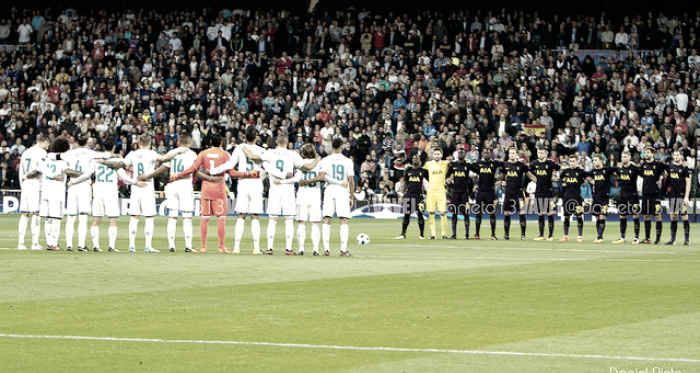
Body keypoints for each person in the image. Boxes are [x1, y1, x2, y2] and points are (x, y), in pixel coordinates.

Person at [98, 134, 187, 252]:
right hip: (147, 186)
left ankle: (131, 245)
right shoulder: (151, 153)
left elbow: (119, 165)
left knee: (134, 216)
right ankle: (148, 246)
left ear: (139, 143)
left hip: (135, 187)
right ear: (150, 143)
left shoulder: (132, 154)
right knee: (149, 217)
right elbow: (164, 159)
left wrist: (104, 162)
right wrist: (179, 150)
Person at [171, 133, 258, 253]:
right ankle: (221, 247)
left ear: (210, 142)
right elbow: (232, 172)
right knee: (221, 218)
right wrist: (246, 174)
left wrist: (178, 175)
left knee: (205, 218)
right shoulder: (225, 155)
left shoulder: (203, 153)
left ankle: (203, 247)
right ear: (221, 143)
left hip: (206, 188)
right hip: (219, 189)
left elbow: (193, 169)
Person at [139, 133, 218, 252]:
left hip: (173, 184)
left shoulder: (172, 152)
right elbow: (195, 171)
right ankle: (188, 246)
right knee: (187, 217)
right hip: (185, 184)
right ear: (189, 142)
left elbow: (162, 169)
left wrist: (147, 176)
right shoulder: (192, 154)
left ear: (179, 141)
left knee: (172, 216)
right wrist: (209, 178)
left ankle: (171, 245)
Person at [241, 136, 318, 255]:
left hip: (274, 188)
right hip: (288, 189)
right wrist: (317, 160)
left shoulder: (270, 152)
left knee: (272, 219)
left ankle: (269, 248)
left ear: (276, 142)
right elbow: (308, 167)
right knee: (288, 219)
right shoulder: (292, 154)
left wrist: (242, 147)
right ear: (287, 142)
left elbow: (251, 157)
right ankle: (288, 249)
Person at [70, 137, 146, 252]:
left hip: (98, 191)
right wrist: (136, 182)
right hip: (111, 192)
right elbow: (124, 177)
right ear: (114, 147)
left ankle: (96, 246)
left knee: (96, 220)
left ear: (103, 147)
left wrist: (73, 182)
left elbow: (87, 175)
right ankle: (111, 247)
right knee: (112, 220)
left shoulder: (95, 160)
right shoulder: (115, 161)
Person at [210, 127, 266, 254]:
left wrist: (213, 171)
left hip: (243, 183)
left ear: (244, 137)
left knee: (241, 215)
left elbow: (229, 165)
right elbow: (265, 167)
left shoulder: (239, 149)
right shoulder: (262, 150)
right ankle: (256, 248)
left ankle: (236, 247)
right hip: (256, 183)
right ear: (256, 136)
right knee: (255, 216)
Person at [35, 139, 83, 250]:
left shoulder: (46, 160)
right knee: (56, 218)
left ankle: (49, 243)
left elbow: (38, 170)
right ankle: (54, 243)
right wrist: (81, 174)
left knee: (48, 217)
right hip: (57, 190)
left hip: (46, 189)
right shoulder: (61, 162)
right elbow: (68, 171)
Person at [62, 134, 100, 251]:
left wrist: (72, 181)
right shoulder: (90, 154)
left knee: (71, 216)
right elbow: (90, 172)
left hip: (72, 185)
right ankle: (81, 245)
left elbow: (65, 168)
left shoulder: (70, 153)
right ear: (87, 142)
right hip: (83, 185)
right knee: (83, 216)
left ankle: (69, 245)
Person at [321, 138, 355, 256]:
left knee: (327, 218)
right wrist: (352, 197)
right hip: (342, 191)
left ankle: (326, 250)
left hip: (330, 190)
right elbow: (351, 180)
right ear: (342, 146)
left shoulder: (325, 160)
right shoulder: (348, 161)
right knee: (343, 219)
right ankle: (343, 250)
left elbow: (323, 176)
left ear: (331, 146)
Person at [292, 144, 327, 254]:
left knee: (301, 223)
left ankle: (301, 249)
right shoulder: (320, 162)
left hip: (302, 195)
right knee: (314, 224)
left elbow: (298, 178)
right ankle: (315, 250)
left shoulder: (300, 163)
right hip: (315, 195)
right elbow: (322, 177)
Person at [18, 135, 50, 251]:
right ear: (45, 143)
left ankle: (20, 243)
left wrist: (23, 182)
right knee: (36, 213)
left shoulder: (26, 152)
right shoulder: (42, 153)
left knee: (24, 213)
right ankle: (34, 243)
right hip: (36, 184)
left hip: (25, 184)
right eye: (48, 145)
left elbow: (20, 170)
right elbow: (40, 170)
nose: (48, 147)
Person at [468, 148, 503, 240]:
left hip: (490, 191)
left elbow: (505, 166)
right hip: (480, 191)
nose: (486, 154)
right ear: (482, 154)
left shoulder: (495, 163)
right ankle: (477, 235)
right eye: (484, 153)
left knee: (492, 213)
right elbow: (471, 167)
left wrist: (499, 178)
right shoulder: (478, 163)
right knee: (478, 213)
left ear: (490, 154)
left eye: (488, 153)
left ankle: (493, 235)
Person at [528, 148, 560, 241]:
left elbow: (559, 168)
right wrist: (534, 179)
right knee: (540, 213)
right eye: (539, 153)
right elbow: (527, 170)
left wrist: (555, 177)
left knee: (549, 213)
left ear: (545, 154)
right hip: (538, 191)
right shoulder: (534, 163)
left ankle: (550, 236)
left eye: (542, 153)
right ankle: (541, 235)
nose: (540, 154)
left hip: (548, 191)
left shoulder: (550, 163)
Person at [396, 154, 428, 239]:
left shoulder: (423, 171)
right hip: (408, 195)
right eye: (414, 158)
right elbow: (405, 183)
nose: (415, 160)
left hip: (418, 196)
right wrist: (402, 194)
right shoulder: (408, 171)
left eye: (417, 158)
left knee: (420, 214)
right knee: (406, 215)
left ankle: (421, 235)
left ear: (419, 160)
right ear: (412, 160)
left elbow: (429, 182)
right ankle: (403, 234)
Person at [639, 146, 667, 244]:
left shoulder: (658, 164)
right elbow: (641, 174)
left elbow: (666, 172)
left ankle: (658, 239)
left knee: (657, 216)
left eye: (648, 152)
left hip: (655, 194)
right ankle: (647, 238)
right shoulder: (643, 165)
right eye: (645, 152)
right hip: (645, 193)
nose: (646, 154)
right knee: (646, 215)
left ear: (652, 154)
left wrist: (663, 179)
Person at [613, 151, 641, 244]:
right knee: (622, 216)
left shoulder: (634, 169)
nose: (623, 158)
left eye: (625, 157)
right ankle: (622, 237)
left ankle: (636, 238)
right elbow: (615, 175)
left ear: (629, 157)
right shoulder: (620, 169)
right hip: (623, 195)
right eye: (622, 157)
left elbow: (642, 173)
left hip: (633, 195)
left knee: (635, 216)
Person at [502, 147, 529, 240]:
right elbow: (503, 176)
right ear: (509, 154)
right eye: (510, 153)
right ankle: (506, 235)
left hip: (518, 192)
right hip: (508, 192)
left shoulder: (521, 165)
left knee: (521, 212)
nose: (512, 155)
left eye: (513, 153)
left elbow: (528, 174)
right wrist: (502, 182)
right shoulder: (506, 165)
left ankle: (523, 235)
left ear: (516, 154)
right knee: (507, 213)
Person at [423, 148, 451, 239]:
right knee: (431, 213)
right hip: (431, 191)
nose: (436, 156)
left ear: (441, 155)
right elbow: (423, 174)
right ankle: (433, 234)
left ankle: (443, 234)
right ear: (432, 155)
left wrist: (448, 179)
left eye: (438, 154)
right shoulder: (428, 164)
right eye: (435, 154)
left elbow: (453, 167)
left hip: (441, 191)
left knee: (443, 212)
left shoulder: (445, 163)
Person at [665, 150, 691, 245]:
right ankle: (673, 240)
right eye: (674, 155)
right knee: (673, 216)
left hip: (681, 195)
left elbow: (688, 182)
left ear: (681, 156)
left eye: (677, 155)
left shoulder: (685, 169)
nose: (676, 157)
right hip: (672, 195)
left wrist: (686, 196)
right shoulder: (670, 168)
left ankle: (687, 240)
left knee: (684, 216)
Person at [590, 154, 616, 243]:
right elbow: (585, 175)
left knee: (602, 216)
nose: (594, 162)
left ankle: (600, 237)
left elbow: (616, 170)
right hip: (595, 196)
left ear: (601, 160)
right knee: (597, 217)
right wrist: (590, 180)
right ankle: (598, 236)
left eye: (596, 160)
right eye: (593, 160)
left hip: (604, 196)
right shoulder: (593, 171)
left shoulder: (607, 170)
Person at [449, 147, 470, 239]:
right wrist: (448, 181)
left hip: (464, 193)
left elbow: (477, 171)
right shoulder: (453, 165)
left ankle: (467, 234)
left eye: (462, 152)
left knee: (465, 213)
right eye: (459, 152)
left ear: (465, 155)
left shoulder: (468, 165)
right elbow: (447, 175)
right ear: (457, 154)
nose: (460, 154)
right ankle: (454, 234)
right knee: (454, 213)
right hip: (455, 193)